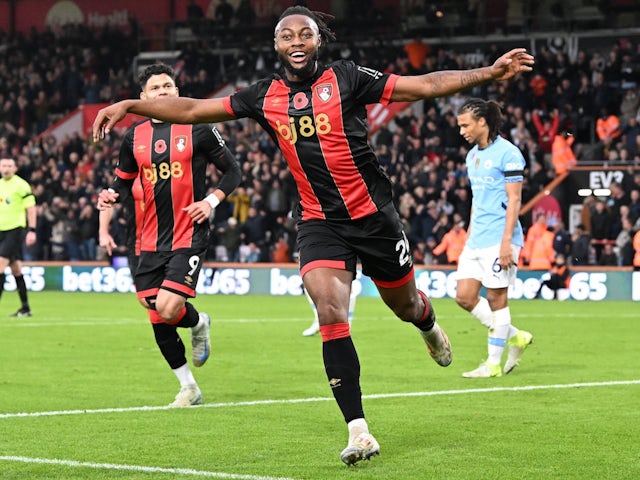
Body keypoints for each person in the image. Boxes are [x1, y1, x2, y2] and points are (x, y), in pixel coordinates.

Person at [93, 6, 534, 465]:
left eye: (306, 34)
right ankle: (358, 431)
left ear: (318, 41)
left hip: (374, 219)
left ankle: (426, 323)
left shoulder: (347, 78)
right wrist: (130, 106)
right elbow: (189, 109)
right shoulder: (264, 96)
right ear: (277, 46)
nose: (297, 41)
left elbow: (422, 86)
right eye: (287, 35)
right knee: (329, 310)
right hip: (319, 222)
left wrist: (489, 73)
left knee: (404, 305)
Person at [96, 63, 242, 407]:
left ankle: (197, 322)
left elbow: (233, 171)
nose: (163, 92)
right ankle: (188, 386)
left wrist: (210, 201)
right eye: (155, 88)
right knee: (154, 310)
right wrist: (111, 194)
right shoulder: (134, 137)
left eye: (168, 86)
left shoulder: (199, 127)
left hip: (189, 232)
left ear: (177, 91)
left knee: (167, 305)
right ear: (143, 97)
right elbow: (122, 181)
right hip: (147, 239)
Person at [454, 99, 534, 379]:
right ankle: (516, 336)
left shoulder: (509, 154)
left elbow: (515, 200)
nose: (461, 130)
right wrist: (469, 234)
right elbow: (477, 200)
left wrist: (505, 243)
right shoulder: (472, 156)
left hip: (500, 237)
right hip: (477, 237)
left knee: (497, 298)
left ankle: (492, 364)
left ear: (482, 122)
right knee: (464, 297)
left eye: (465, 125)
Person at [0, 157, 37, 317]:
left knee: (0, 266)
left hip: (15, 230)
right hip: (1, 231)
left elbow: (31, 208)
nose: (6, 168)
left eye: (9, 165)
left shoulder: (21, 185)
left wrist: (32, 230)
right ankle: (26, 308)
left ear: (15, 168)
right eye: (3, 165)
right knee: (16, 270)